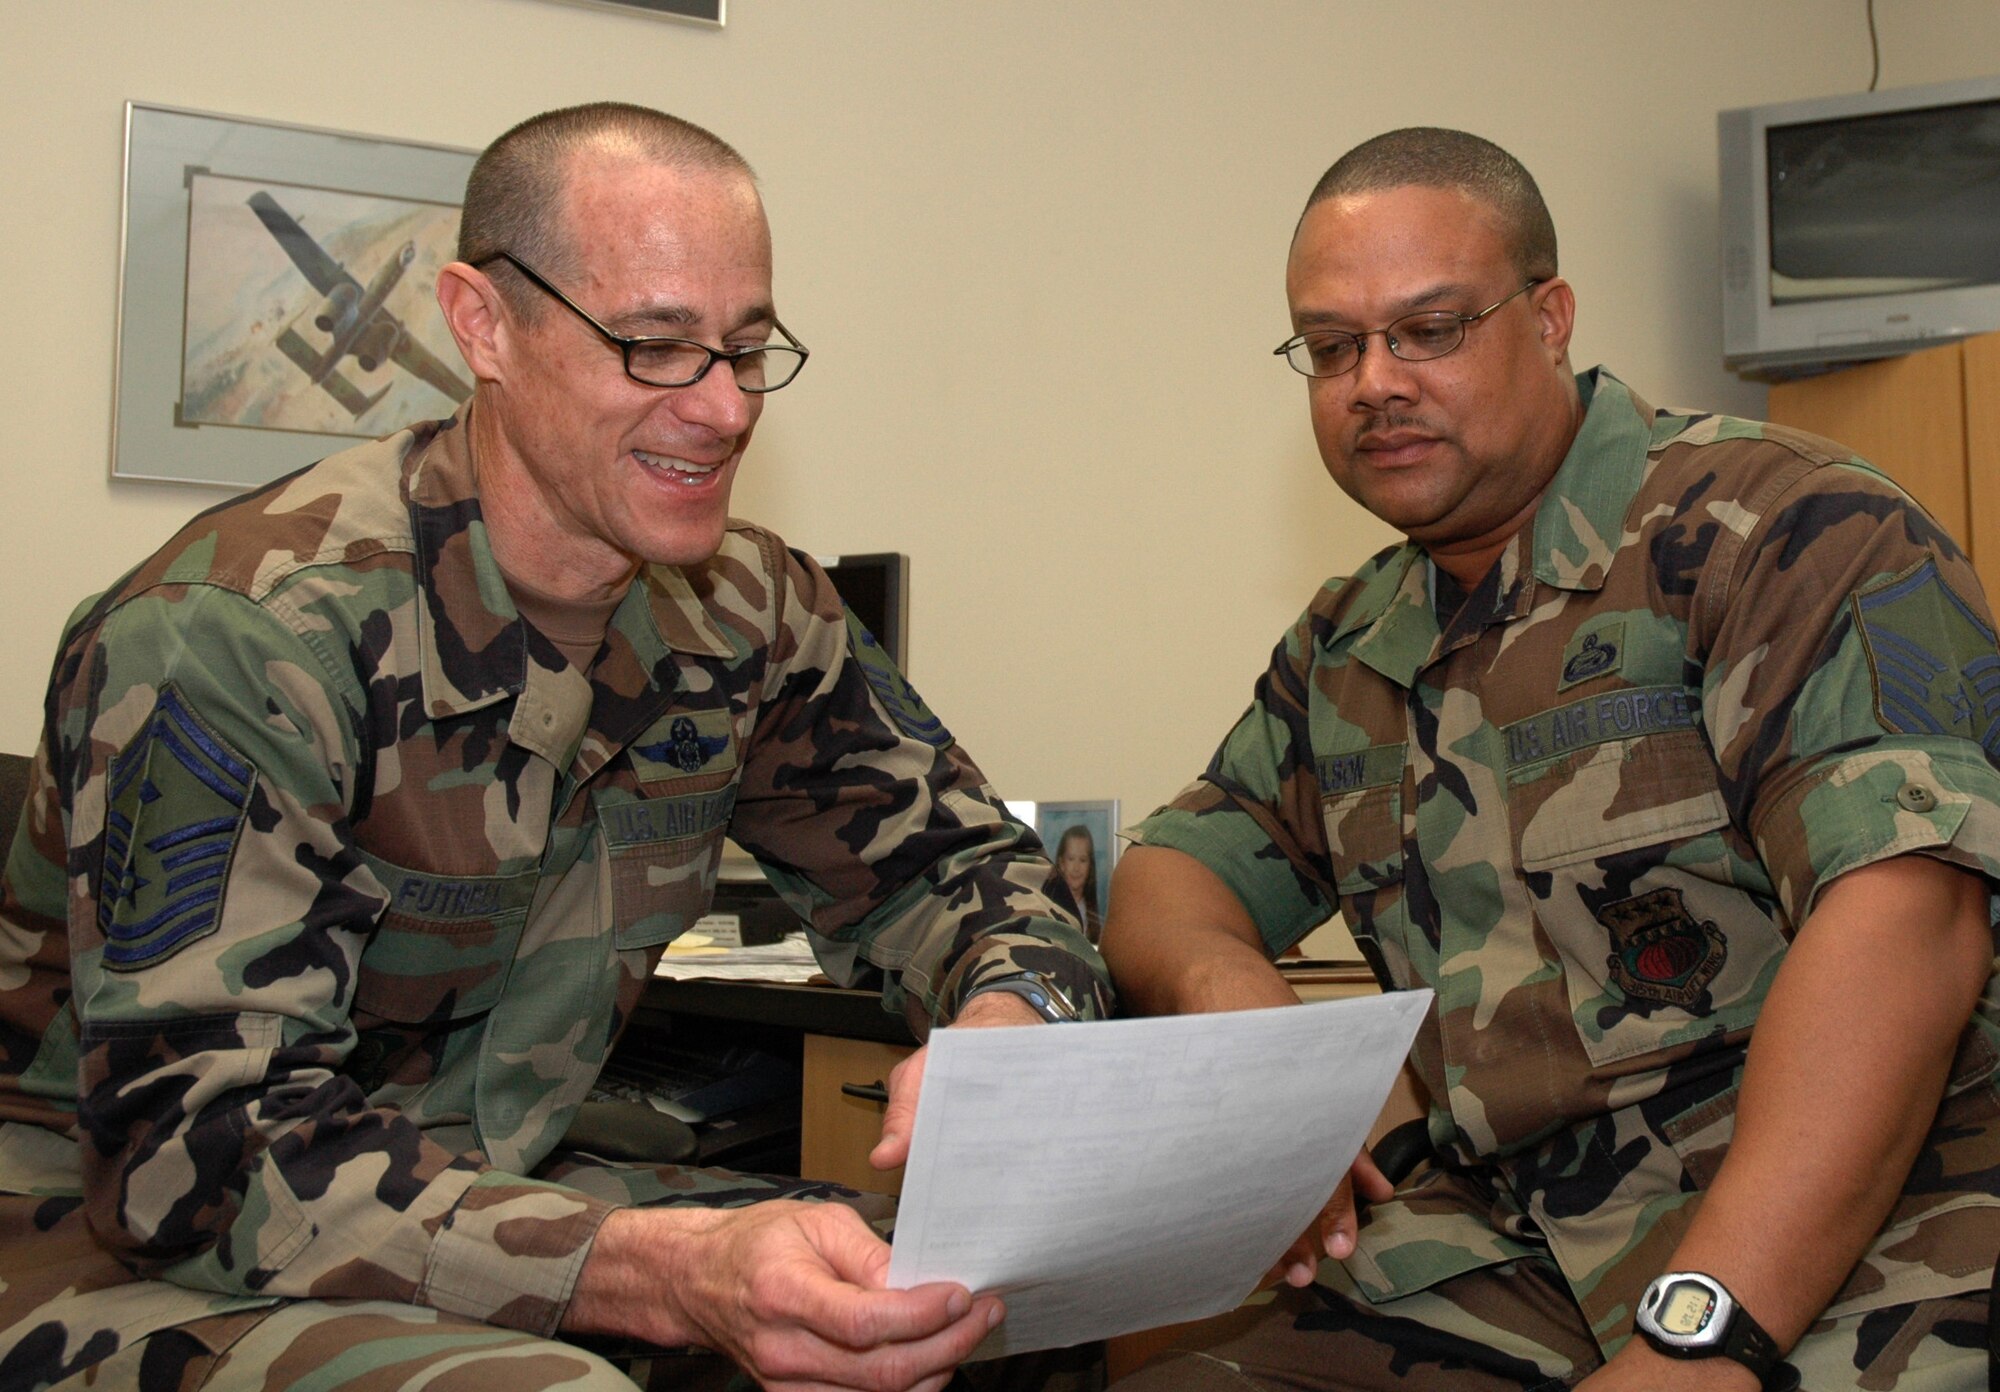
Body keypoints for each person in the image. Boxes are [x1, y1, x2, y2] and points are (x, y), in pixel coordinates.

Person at [0, 102, 1106, 1392]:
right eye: (653, 346)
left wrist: (1011, 1006)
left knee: (967, 1306)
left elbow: (962, 867)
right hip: (121, 1241)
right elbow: (197, 1156)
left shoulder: (747, 613)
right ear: (484, 325)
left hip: (487, 1184)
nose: (722, 408)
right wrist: (666, 1272)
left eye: (748, 350)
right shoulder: (239, 638)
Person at [1102, 127, 2000, 1390]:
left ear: (1550, 316)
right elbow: (1167, 874)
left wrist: (1699, 1345)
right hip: (1519, 1246)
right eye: (1330, 348)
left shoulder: (1784, 529)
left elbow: (1909, 927)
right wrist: (1231, 1004)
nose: (1372, 382)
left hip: (1877, 1232)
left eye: (1428, 329)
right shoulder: (1349, 639)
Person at [1043, 825, 1102, 943]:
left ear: (1090, 865)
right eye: (1071, 859)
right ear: (1061, 863)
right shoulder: (1045, 909)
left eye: (1083, 860)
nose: (1076, 868)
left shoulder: (1096, 918)